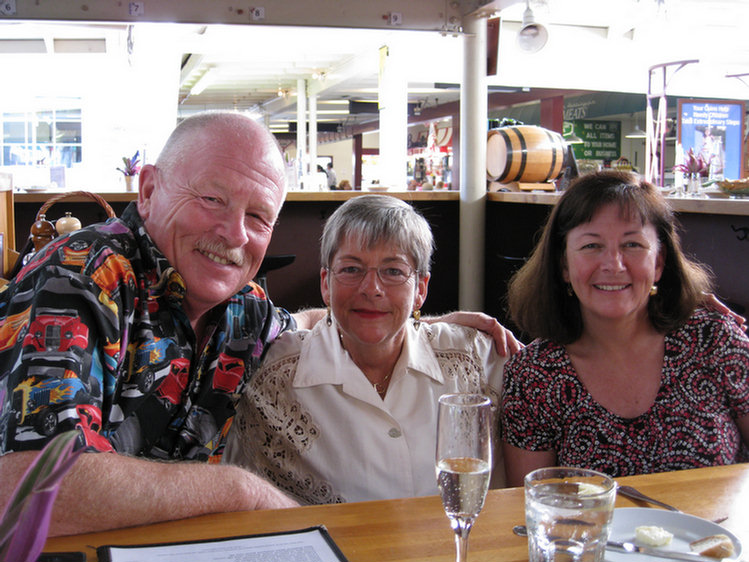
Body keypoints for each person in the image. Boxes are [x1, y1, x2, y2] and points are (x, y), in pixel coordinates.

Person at [0, 112, 519, 535]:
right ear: (150, 189)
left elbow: (314, 318)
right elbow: (27, 487)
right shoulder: (82, 276)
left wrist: (414, 320)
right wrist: (240, 492)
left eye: (258, 217)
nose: (233, 234)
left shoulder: (240, 308)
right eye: (212, 199)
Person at [225, 195, 508, 503]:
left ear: (421, 290)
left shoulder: (479, 360)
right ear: (325, 283)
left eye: (393, 271)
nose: (371, 288)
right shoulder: (270, 376)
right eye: (351, 269)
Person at [500, 170, 749, 487]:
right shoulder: (534, 376)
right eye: (592, 246)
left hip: (717, 535)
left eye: (633, 244)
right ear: (564, 265)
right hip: (590, 538)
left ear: (658, 263)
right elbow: (529, 508)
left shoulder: (713, 338)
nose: (614, 264)